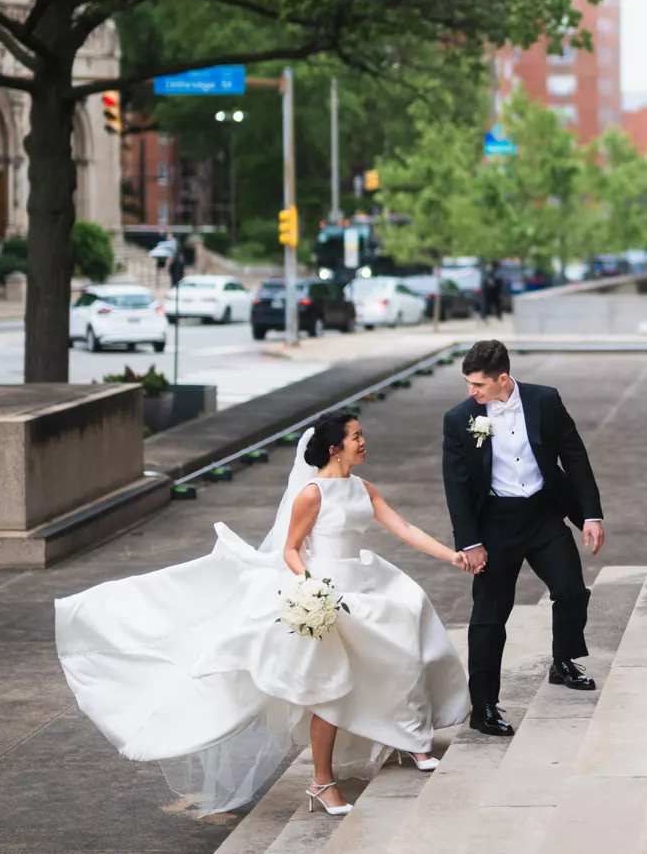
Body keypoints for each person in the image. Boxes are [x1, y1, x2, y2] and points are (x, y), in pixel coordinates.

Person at [55, 412, 473, 816]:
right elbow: (291, 549)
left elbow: (405, 528)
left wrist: (451, 555)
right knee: (329, 686)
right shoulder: (312, 494)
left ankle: (412, 737)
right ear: (335, 448)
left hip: (367, 580)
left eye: (361, 434)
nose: (363, 441)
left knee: (402, 643)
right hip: (327, 590)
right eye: (356, 436)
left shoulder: (363, 488)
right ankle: (322, 781)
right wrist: (313, 588)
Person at [442, 338, 605, 736]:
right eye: (467, 384)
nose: (471, 392)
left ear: (502, 378)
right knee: (490, 617)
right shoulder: (460, 418)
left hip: (543, 514)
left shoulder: (544, 400)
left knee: (570, 590)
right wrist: (469, 542)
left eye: (478, 384)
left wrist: (591, 515)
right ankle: (483, 707)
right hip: (495, 524)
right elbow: (457, 486)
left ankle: (563, 660)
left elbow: (575, 456)